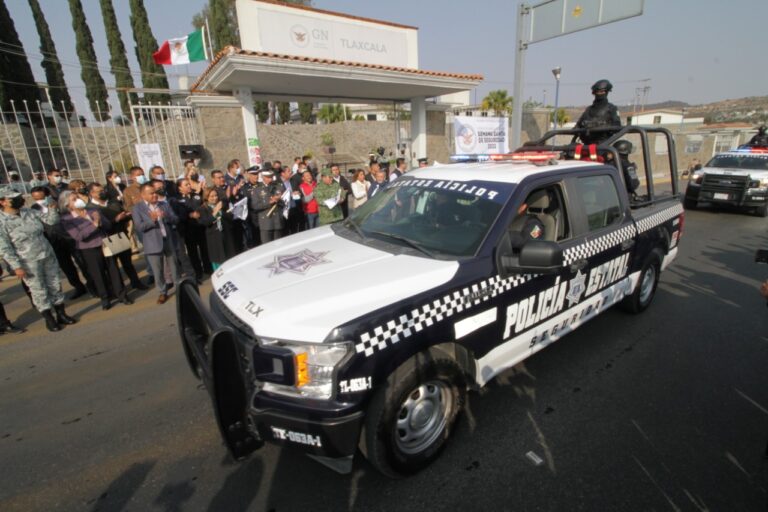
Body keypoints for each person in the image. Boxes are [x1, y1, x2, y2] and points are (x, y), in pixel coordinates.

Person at [0, 187, 76, 332]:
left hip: (47, 254)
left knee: (54, 284)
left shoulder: (29, 212)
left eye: (19, 196)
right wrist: (16, 266)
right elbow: (4, 248)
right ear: (3, 202)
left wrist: (52, 209)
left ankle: (61, 314)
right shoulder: (1, 221)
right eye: (13, 198)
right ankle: (49, 319)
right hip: (27, 261)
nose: (19, 199)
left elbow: (51, 221)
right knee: (38, 290)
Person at [61, 190, 132, 310]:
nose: (78, 200)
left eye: (77, 197)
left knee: (113, 270)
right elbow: (79, 236)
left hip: (105, 244)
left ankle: (122, 295)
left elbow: (108, 226)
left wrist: (100, 221)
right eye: (74, 199)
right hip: (89, 249)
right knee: (97, 274)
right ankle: (105, 298)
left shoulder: (93, 211)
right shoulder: (67, 219)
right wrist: (93, 224)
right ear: (68, 205)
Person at [30, 186, 91, 299]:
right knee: (66, 266)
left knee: (82, 262)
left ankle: (92, 284)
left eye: (41, 197)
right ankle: (78, 286)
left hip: (70, 237)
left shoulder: (60, 203)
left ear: (47, 195)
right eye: (36, 198)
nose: (39, 201)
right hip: (54, 241)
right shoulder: (33, 209)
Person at [87, 183, 147, 291]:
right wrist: (115, 220)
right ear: (92, 193)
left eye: (103, 190)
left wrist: (125, 216)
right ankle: (120, 290)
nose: (103, 192)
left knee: (128, 263)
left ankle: (136, 282)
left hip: (120, 235)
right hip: (107, 239)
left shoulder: (113, 203)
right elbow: (97, 226)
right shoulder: (90, 208)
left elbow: (123, 214)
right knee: (113, 267)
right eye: (99, 191)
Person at [133, 183, 180, 304]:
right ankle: (162, 292)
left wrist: (167, 217)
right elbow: (139, 227)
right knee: (157, 270)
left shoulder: (163, 204)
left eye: (155, 192)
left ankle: (179, 288)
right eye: (151, 193)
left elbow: (176, 219)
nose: (155, 195)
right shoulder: (138, 208)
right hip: (153, 243)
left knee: (174, 266)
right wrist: (152, 219)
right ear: (143, 195)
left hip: (167, 240)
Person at [174, 178, 210, 281]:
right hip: (188, 229)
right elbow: (178, 214)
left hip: (201, 227)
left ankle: (207, 268)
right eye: (186, 185)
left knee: (204, 249)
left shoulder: (197, 195)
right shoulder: (177, 199)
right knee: (193, 252)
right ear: (180, 188)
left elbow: (204, 206)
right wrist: (188, 215)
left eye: (189, 184)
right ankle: (198, 272)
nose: (189, 186)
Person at [575, 79, 621, 144]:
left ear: (606, 92)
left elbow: (617, 127)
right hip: (586, 146)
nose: (599, 94)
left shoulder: (612, 108)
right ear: (594, 93)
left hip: (604, 146)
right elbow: (577, 126)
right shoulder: (588, 110)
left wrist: (602, 126)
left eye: (602, 91)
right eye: (597, 92)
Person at [250, 169, 286, 243]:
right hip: (266, 222)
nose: (270, 179)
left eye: (271, 177)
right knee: (267, 246)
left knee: (279, 245)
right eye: (268, 177)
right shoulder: (257, 189)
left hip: (277, 221)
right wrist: (269, 202)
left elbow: (285, 202)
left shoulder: (278, 186)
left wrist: (279, 200)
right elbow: (255, 206)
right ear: (263, 177)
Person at [197, 188, 228, 270]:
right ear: (206, 197)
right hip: (213, 237)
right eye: (212, 196)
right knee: (217, 259)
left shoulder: (221, 205)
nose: (215, 198)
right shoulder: (202, 209)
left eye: (216, 195)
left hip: (224, 235)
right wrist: (215, 212)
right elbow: (206, 222)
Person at [280, 166, 303, 235]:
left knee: (294, 229)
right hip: (284, 210)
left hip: (293, 208)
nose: (291, 172)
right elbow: (279, 196)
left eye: (290, 171)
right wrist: (291, 194)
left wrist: (298, 193)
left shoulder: (293, 181)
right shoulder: (278, 184)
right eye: (288, 171)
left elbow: (299, 191)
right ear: (283, 173)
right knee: (286, 231)